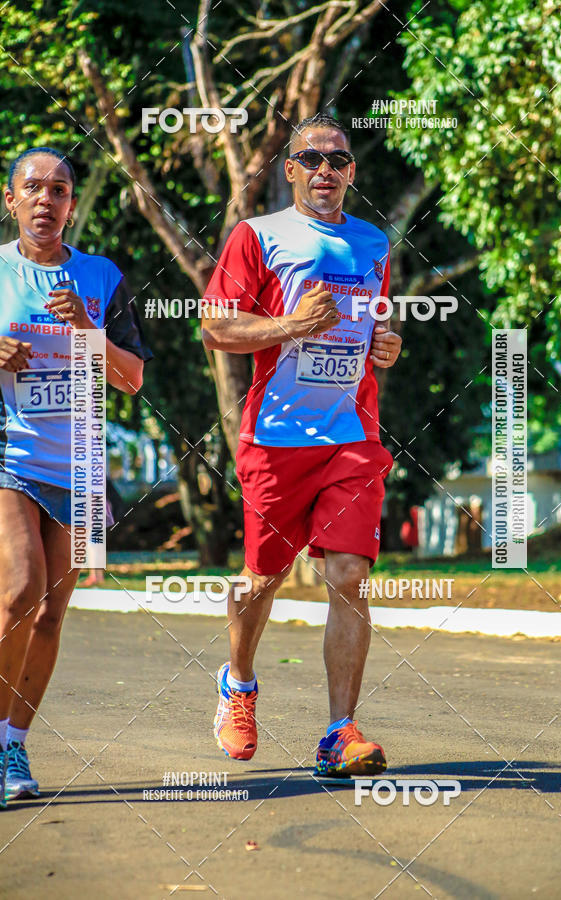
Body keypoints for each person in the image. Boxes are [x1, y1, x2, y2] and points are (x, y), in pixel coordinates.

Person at [202, 113, 402, 777]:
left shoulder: (374, 243)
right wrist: (290, 323)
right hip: (275, 437)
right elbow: (216, 327)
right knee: (263, 579)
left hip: (350, 434)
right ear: (290, 169)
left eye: (338, 160)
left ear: (351, 172)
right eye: (312, 158)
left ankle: (339, 733)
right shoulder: (257, 235)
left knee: (347, 575)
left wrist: (385, 343)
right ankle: (238, 682)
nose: (326, 170)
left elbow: (373, 326)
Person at [0, 147, 152, 806]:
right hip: (10, 460)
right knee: (21, 589)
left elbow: (132, 379)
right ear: (10, 200)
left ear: (71, 204)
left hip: (82, 468)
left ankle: (13, 742)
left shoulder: (102, 276)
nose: (46, 199)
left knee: (52, 616)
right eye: (32, 187)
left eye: (59, 189)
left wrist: (90, 330)